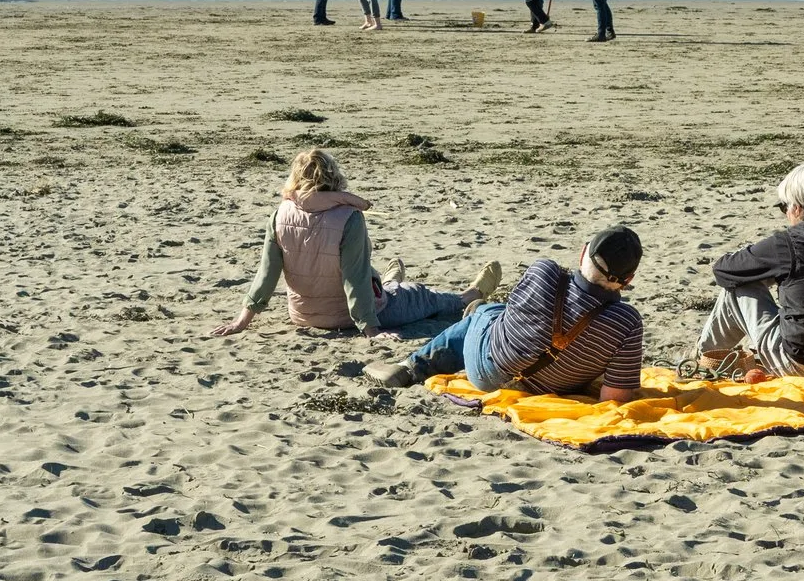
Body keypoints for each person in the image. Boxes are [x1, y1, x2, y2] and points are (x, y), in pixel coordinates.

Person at [207, 149, 502, 338]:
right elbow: (354, 278)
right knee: (420, 295)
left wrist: (241, 321)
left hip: (303, 315)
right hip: (348, 316)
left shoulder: (279, 214)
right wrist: (370, 329)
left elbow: (266, 275)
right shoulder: (349, 218)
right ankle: (469, 295)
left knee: (382, 284)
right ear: (334, 177)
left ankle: (388, 280)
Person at [366, 227, 647, 401]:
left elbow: (512, 320)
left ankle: (409, 368)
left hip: (486, 371)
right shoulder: (627, 323)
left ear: (583, 252)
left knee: (486, 315)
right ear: (628, 279)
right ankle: (477, 311)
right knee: (493, 314)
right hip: (549, 389)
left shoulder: (544, 272)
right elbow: (614, 399)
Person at [691, 163, 804, 380]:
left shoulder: (789, 243)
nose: (786, 215)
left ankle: (703, 361)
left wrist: (767, 273)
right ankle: (704, 358)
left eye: (784, 208)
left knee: (738, 287)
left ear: (798, 208)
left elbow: (724, 270)